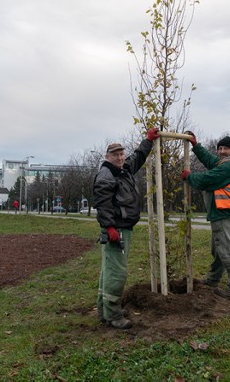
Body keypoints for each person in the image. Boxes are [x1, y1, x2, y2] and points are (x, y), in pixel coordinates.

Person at [93, 127, 160, 329]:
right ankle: (113, 315)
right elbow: (103, 205)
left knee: (109, 270)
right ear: (107, 156)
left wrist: (148, 141)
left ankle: (104, 310)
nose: (121, 157)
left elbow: (138, 157)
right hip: (117, 230)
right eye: (116, 155)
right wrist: (110, 228)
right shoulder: (106, 176)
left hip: (123, 227)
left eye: (122, 154)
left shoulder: (122, 170)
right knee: (117, 273)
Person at [181, 133, 230, 300]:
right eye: (220, 148)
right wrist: (196, 146)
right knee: (219, 249)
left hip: (226, 211)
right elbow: (211, 161)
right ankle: (213, 280)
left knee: (229, 251)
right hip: (225, 212)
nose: (221, 151)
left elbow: (206, 180)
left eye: (226, 148)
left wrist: (190, 177)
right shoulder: (227, 163)